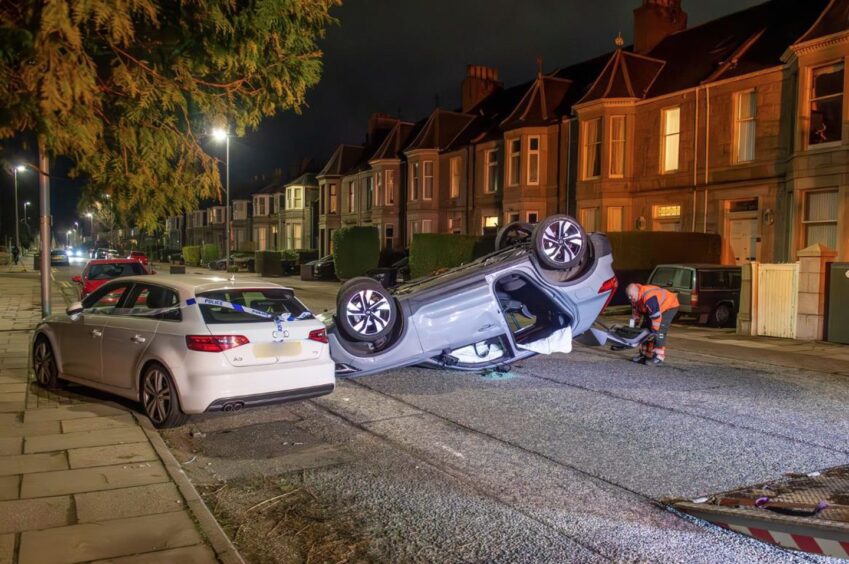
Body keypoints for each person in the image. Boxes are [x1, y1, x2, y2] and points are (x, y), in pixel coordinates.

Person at [625, 283, 679, 365]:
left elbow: (656, 317)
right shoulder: (635, 298)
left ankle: (659, 357)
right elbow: (636, 313)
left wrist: (654, 331)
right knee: (644, 329)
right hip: (655, 309)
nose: (630, 298)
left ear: (637, 292)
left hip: (669, 306)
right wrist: (634, 326)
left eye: (631, 295)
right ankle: (645, 355)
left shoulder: (649, 297)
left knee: (660, 332)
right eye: (628, 296)